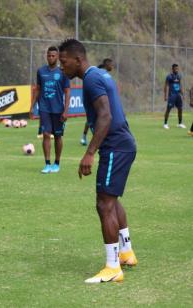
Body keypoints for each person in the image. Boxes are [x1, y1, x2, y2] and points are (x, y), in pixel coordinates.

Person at [58, 38, 138, 284]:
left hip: (114, 146)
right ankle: (126, 253)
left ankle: (113, 267)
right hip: (121, 144)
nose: (62, 67)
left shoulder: (92, 79)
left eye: (64, 62)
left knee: (104, 204)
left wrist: (90, 152)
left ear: (78, 59)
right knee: (111, 200)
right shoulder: (99, 75)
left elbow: (105, 116)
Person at [29, 46, 71, 174]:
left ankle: (57, 163)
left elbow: (68, 92)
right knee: (46, 135)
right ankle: (47, 164)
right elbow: (38, 89)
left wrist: (66, 110)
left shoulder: (63, 72)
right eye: (49, 55)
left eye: (53, 56)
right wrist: (32, 106)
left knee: (58, 136)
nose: (51, 58)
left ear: (57, 57)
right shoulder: (41, 71)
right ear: (46, 56)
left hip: (58, 109)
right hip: (44, 108)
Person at [81, 58, 114, 145]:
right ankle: (85, 137)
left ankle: (85, 137)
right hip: (97, 98)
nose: (112, 66)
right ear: (106, 64)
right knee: (94, 118)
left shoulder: (104, 73)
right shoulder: (100, 73)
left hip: (102, 98)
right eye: (111, 64)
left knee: (94, 118)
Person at [163, 64, 186, 129]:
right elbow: (166, 86)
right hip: (172, 95)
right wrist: (165, 96)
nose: (177, 70)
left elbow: (180, 85)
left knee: (180, 109)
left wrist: (182, 94)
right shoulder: (169, 76)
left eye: (177, 69)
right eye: (175, 69)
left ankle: (180, 123)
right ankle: (165, 123)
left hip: (178, 95)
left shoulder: (179, 76)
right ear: (172, 69)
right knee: (168, 109)